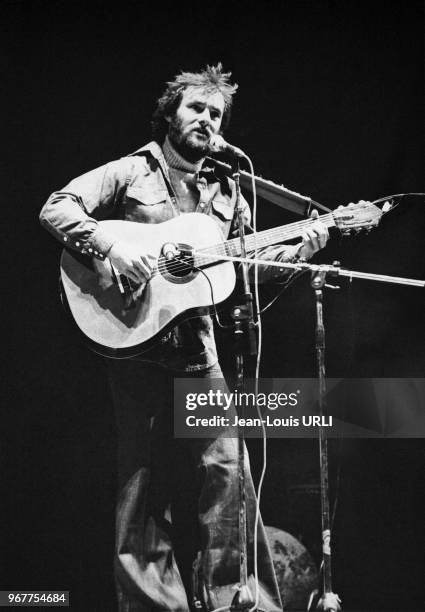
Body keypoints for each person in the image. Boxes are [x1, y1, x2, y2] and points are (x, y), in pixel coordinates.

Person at [40, 64, 329, 612]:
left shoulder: (231, 192)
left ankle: (238, 599)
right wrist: (111, 245)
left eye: (216, 113)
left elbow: (244, 271)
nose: (206, 120)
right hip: (135, 344)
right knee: (143, 489)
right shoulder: (131, 171)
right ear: (170, 113)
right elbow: (57, 206)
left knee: (229, 475)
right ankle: (153, 604)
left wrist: (299, 252)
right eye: (196, 108)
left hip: (198, 353)